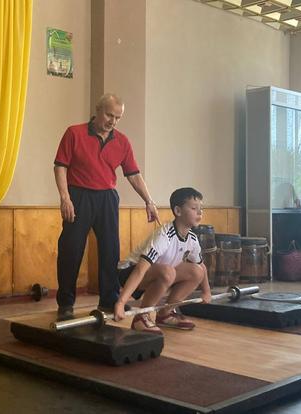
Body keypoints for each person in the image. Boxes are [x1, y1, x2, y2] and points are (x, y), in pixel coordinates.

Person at [54, 93, 159, 320]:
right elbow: (60, 166)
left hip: (107, 198)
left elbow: (133, 175)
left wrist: (149, 201)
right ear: (98, 110)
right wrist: (65, 198)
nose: (113, 121)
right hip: (79, 196)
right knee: (71, 249)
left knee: (110, 250)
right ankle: (66, 303)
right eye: (110, 115)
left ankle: (109, 300)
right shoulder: (74, 133)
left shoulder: (122, 141)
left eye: (118, 118)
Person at [114, 187, 212, 334]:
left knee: (197, 271)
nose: (199, 212)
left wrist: (206, 292)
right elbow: (140, 269)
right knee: (168, 272)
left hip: (161, 272)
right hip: (129, 273)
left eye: (201, 209)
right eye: (194, 208)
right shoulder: (164, 235)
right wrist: (121, 303)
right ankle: (141, 317)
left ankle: (165, 313)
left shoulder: (192, 238)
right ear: (178, 211)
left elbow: (201, 266)